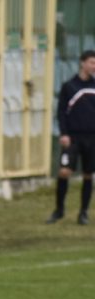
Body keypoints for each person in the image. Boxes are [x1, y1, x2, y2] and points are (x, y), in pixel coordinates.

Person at [47, 50, 95, 225]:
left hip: (92, 137)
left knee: (88, 174)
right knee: (64, 171)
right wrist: (64, 133)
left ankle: (83, 213)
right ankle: (59, 210)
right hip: (73, 137)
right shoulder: (69, 86)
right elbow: (61, 112)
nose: (94, 66)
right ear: (82, 63)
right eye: (92, 62)